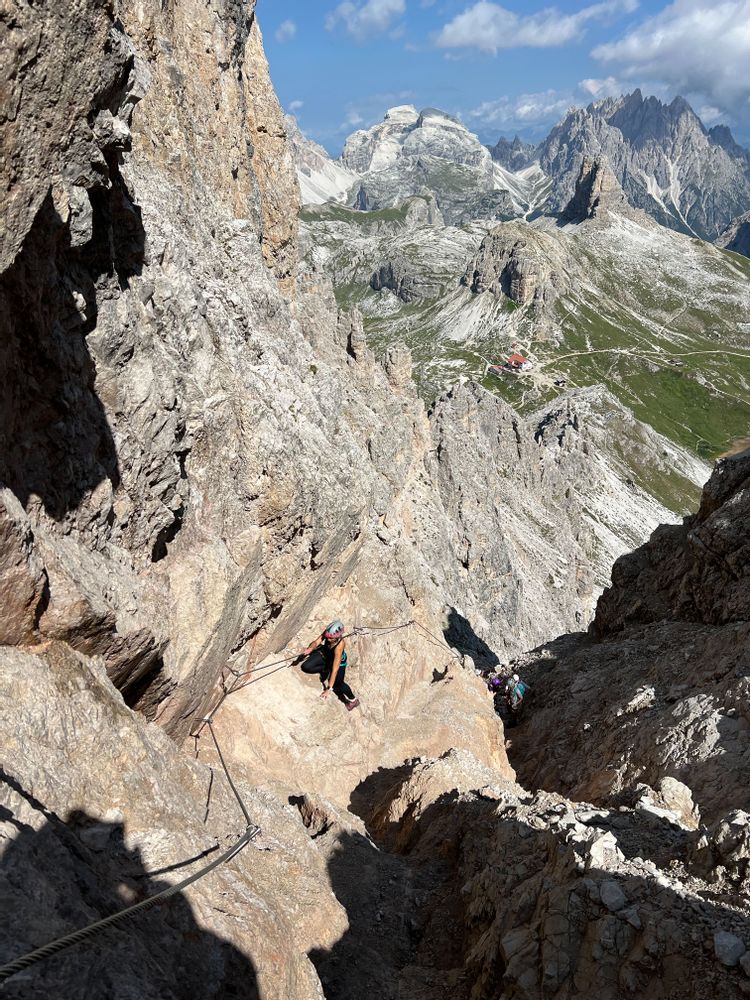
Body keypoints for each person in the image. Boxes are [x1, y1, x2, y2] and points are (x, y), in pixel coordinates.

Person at [300, 620, 360, 712]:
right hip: (326, 655)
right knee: (306, 666)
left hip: (338, 662)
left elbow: (335, 669)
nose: (328, 639)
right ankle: (326, 669)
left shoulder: (339, 646)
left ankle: (353, 700)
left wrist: (328, 689)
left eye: (330, 638)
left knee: (338, 684)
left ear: (337, 637)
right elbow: (317, 641)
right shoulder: (329, 633)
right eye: (327, 637)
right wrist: (311, 648)